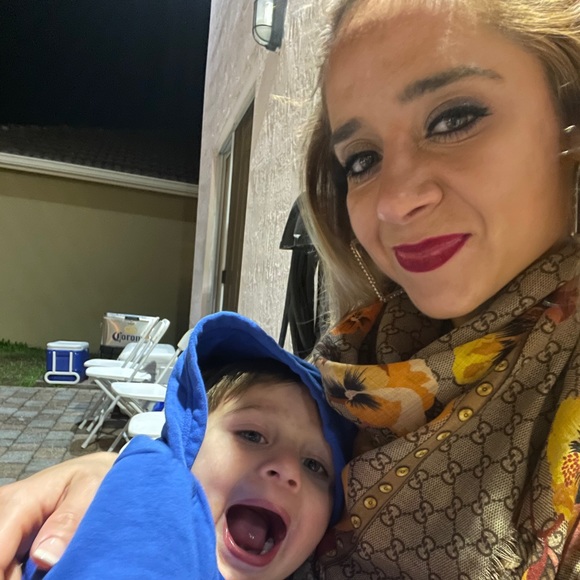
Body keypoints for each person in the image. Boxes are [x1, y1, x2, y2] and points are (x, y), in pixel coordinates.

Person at [1, 0, 580, 577]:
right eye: (362, 159)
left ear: (568, 111)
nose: (394, 201)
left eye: (453, 119)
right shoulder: (352, 366)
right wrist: (135, 489)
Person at [21, 311, 354, 580]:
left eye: (315, 465)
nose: (287, 470)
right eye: (251, 435)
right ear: (188, 434)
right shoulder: (152, 495)